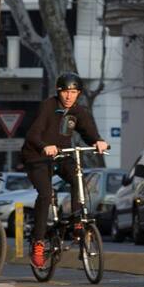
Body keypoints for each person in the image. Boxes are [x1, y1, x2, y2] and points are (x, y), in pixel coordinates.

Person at [21, 73, 109, 268]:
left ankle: (78, 219)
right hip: (37, 156)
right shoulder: (48, 106)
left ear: (78, 93)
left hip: (62, 155)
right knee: (46, 194)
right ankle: (38, 242)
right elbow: (33, 133)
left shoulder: (79, 111)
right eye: (65, 92)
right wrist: (44, 145)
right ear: (58, 92)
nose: (69, 96)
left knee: (78, 177)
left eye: (74, 92)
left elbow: (89, 132)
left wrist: (98, 142)